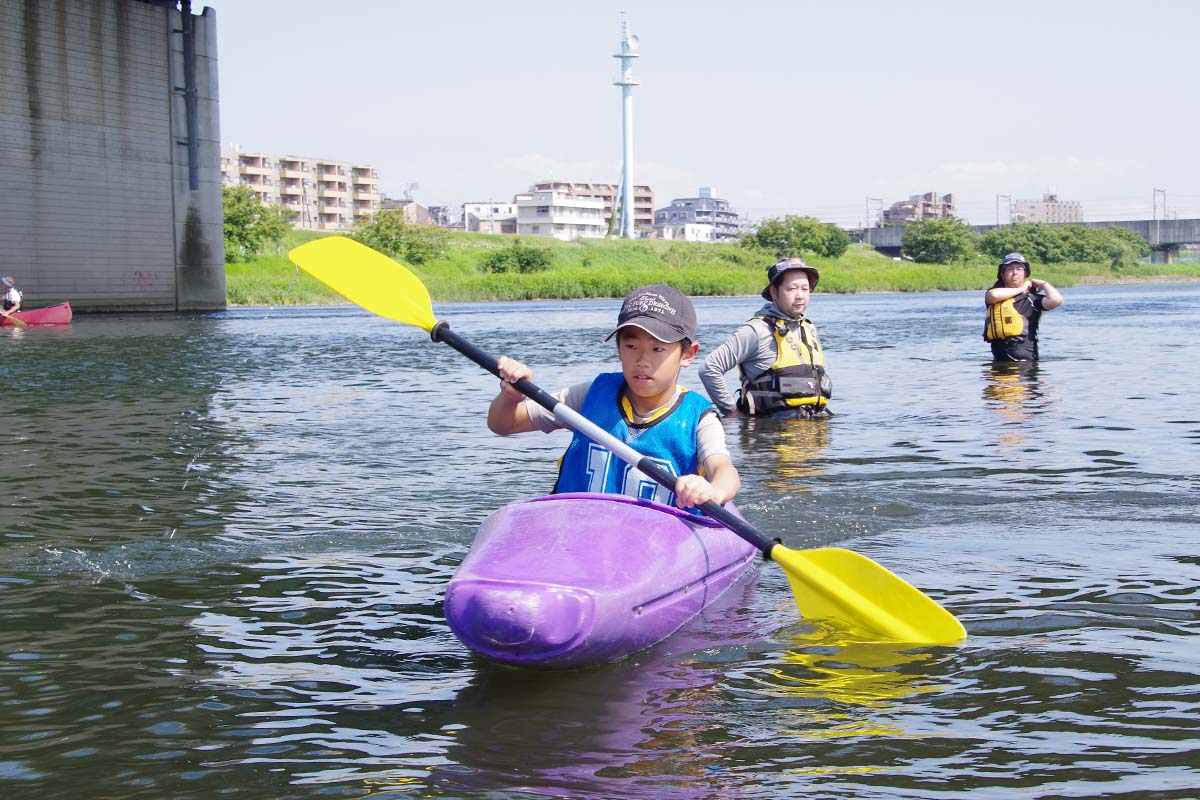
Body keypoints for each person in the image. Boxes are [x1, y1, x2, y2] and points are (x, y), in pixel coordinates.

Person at [488, 284, 740, 512]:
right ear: (618, 348)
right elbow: (503, 424)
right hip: (574, 531)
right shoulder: (589, 396)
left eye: (658, 349)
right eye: (631, 347)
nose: (642, 361)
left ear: (687, 354)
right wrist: (511, 396)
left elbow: (724, 470)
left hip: (658, 546)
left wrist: (713, 490)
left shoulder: (699, 418)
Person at [699, 257, 831, 418]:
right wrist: (731, 412)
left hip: (812, 432)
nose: (800, 296)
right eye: (792, 289)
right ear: (774, 292)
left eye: (805, 289)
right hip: (768, 436)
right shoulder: (756, 330)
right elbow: (709, 368)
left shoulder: (809, 329)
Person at [983, 252, 1064, 362]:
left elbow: (1056, 300)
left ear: (1025, 273)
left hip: (1026, 364)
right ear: (1002, 274)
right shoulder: (994, 295)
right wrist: (1022, 289)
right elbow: (992, 295)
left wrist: (1044, 284)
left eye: (1019, 269)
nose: (1015, 272)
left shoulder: (1032, 299)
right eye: (1010, 269)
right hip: (999, 363)